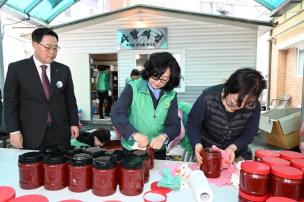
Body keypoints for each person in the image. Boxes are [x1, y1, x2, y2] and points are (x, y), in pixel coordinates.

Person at [4, 27, 79, 150]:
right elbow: (10, 103)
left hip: (60, 132)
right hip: (30, 133)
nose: (52, 52)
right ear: (34, 44)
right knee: (33, 168)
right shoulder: (17, 69)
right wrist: (13, 131)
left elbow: (70, 100)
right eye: (47, 47)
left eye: (55, 48)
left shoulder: (63, 70)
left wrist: (74, 123)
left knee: (60, 167)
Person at [187, 68, 266, 166]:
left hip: (235, 153)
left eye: (245, 104)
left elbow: (249, 133)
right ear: (230, 87)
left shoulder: (253, 106)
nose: (239, 107)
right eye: (234, 101)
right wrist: (197, 144)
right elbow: (193, 125)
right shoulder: (208, 97)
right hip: (207, 152)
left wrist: (233, 147)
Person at [111, 52, 181, 159]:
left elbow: (174, 124)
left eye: (164, 79)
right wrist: (134, 134)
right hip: (132, 149)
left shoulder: (171, 94)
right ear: (149, 72)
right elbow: (117, 114)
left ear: (171, 78)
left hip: (157, 150)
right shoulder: (133, 87)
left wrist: (163, 137)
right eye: (155, 77)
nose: (158, 82)